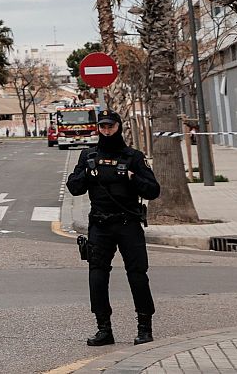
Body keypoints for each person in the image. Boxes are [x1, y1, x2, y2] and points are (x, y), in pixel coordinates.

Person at [66, 109, 159, 347]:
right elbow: (74, 187)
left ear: (119, 127)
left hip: (128, 224)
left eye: (111, 126)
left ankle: (144, 328)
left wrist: (132, 177)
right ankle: (104, 329)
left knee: (137, 275)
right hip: (100, 225)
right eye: (103, 127)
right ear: (99, 128)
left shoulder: (133, 157)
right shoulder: (89, 156)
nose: (107, 131)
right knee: (97, 276)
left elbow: (153, 190)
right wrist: (87, 174)